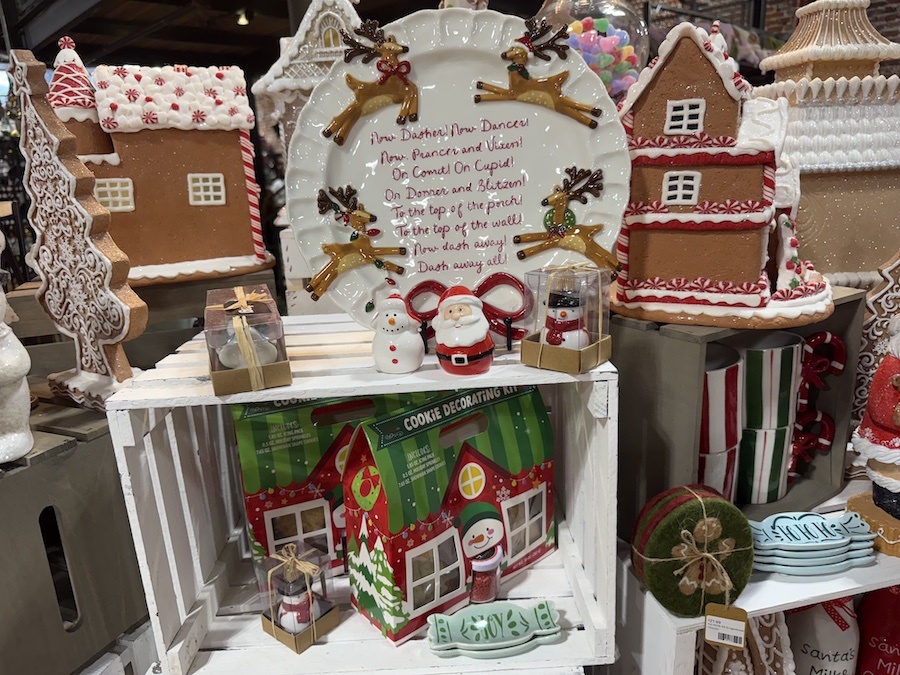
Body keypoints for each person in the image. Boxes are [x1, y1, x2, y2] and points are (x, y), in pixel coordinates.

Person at [433, 285, 494, 376]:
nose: (455, 316)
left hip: (480, 366)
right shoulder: (444, 335)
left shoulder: (479, 331)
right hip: (448, 370)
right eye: (450, 312)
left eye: (460, 309)